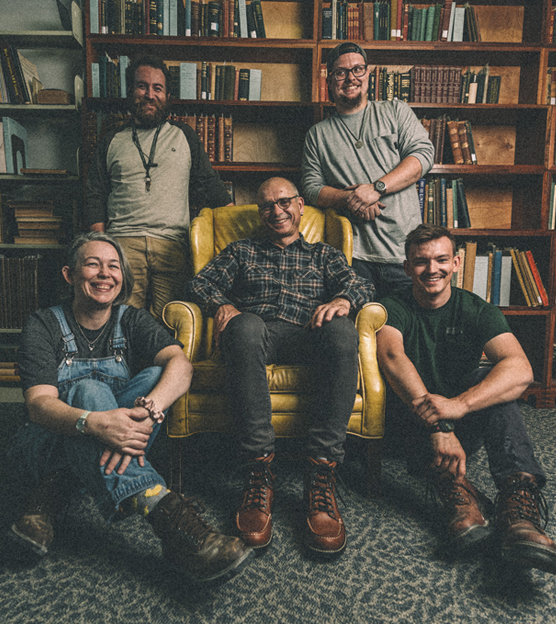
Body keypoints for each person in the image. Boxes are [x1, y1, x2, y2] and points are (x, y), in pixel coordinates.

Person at [7, 232, 253, 583]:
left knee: (158, 374)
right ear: (69, 275)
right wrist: (96, 423)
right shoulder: (43, 324)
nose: (105, 273)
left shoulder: (132, 319)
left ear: (122, 276)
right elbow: (40, 405)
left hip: (121, 436)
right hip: (45, 443)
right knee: (89, 390)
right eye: (92, 264)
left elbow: (182, 366)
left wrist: (152, 409)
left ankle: (54, 492)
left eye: (113, 266)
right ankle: (170, 518)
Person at [184, 177, 376, 555]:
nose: (277, 211)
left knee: (342, 332)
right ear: (261, 213)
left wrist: (343, 300)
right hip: (258, 335)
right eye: (268, 205)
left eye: (284, 202)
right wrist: (220, 304)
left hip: (311, 332)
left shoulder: (324, 254)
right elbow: (198, 284)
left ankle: (321, 471)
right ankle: (258, 470)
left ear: (300, 206)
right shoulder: (241, 251)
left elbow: (362, 285)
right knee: (243, 326)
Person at [376, 223, 556, 575]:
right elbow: (393, 359)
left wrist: (459, 405)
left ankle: (518, 502)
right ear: (406, 267)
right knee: (406, 388)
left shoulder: (476, 309)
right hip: (409, 423)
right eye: (421, 262)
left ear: (456, 263)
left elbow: (521, 370)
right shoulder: (390, 307)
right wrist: (440, 425)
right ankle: (457, 491)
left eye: (441, 260)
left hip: (461, 417)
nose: (432, 270)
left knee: (496, 385)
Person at [86, 54, 233, 320]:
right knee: (123, 323)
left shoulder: (185, 135)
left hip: (173, 246)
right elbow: (95, 194)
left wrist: (241, 223)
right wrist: (101, 246)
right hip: (123, 246)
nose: (150, 94)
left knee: (169, 326)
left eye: (157, 88)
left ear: (167, 95)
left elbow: (209, 185)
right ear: (131, 91)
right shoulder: (111, 140)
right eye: (142, 86)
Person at [301, 41, 435, 299]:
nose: (350, 78)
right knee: (357, 330)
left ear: (368, 74)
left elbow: (422, 157)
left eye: (358, 70)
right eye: (341, 72)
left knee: (404, 330)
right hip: (352, 256)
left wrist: (376, 189)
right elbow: (311, 188)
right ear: (329, 80)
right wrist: (352, 199)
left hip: (403, 251)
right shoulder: (317, 135)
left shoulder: (395, 111)